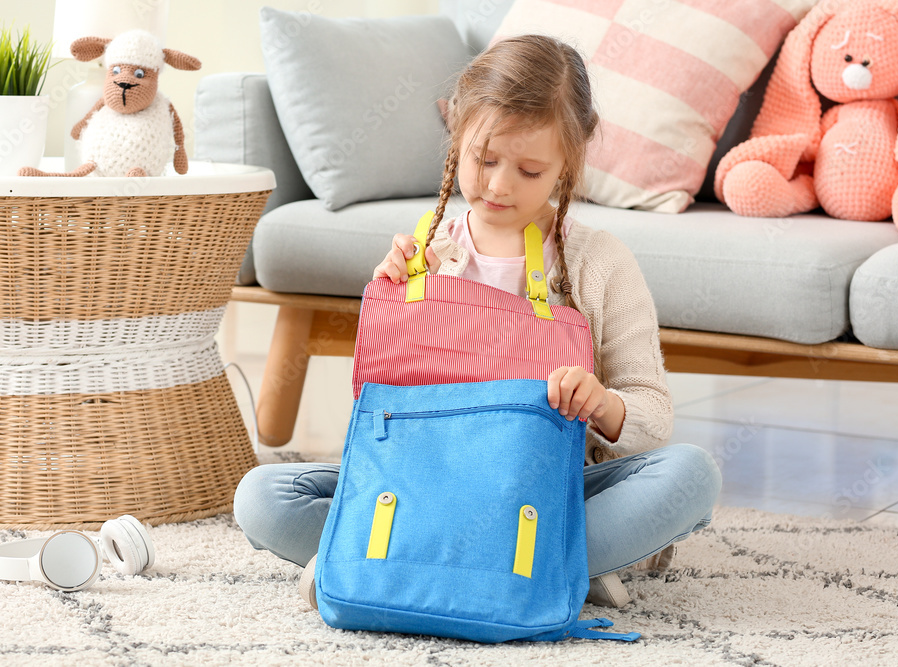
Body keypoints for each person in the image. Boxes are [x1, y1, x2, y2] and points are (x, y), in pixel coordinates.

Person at [233, 34, 722, 610]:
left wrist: (600, 404)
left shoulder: (602, 264)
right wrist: (393, 300)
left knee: (692, 474)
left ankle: (390, 560)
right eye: (483, 159)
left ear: (569, 164)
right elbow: (380, 412)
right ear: (456, 137)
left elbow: (653, 415)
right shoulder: (429, 252)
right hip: (426, 487)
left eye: (529, 169)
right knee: (263, 495)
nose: (498, 184)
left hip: (546, 492)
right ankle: (543, 568)